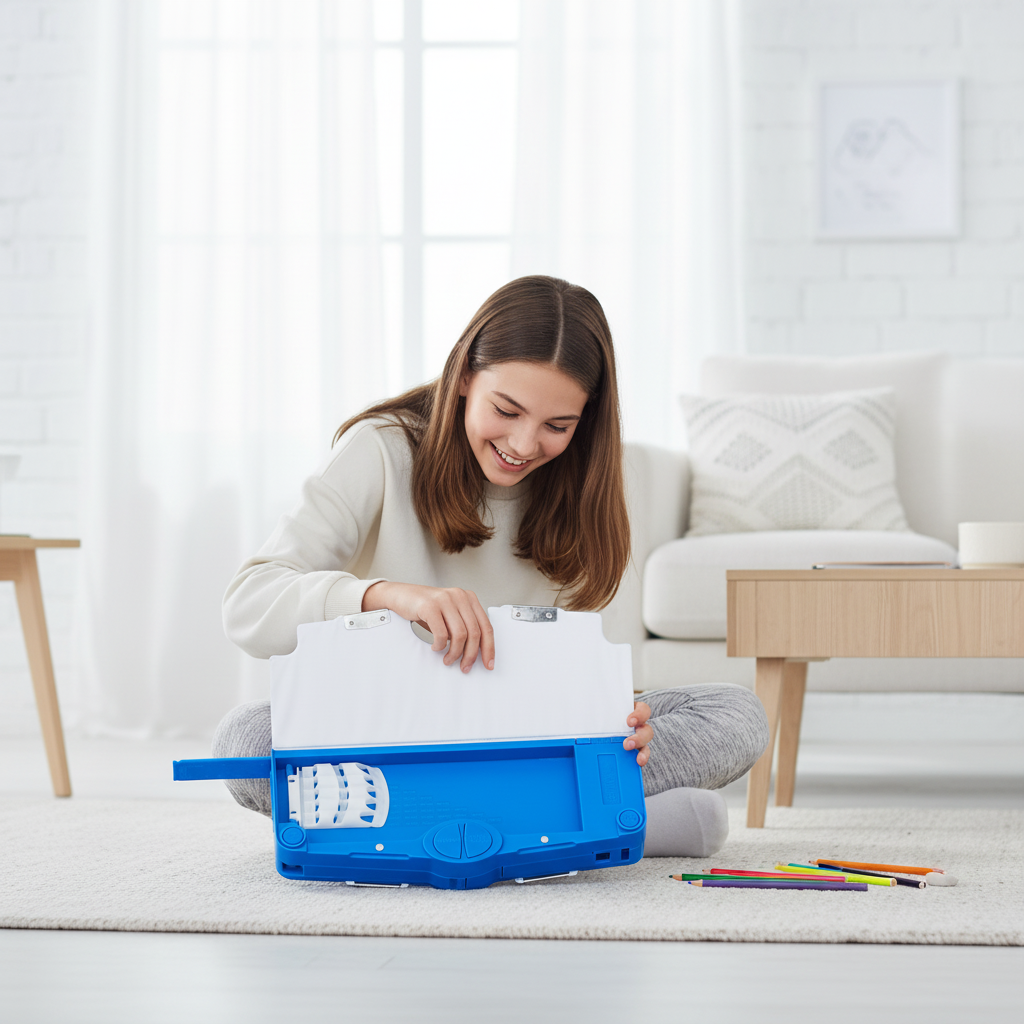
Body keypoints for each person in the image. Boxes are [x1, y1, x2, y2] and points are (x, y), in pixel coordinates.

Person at [216, 275, 768, 857]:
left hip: (519, 738)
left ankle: (433, 825)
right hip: (383, 733)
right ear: (463, 377)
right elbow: (249, 605)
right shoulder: (380, 449)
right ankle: (587, 823)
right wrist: (388, 596)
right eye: (507, 410)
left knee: (737, 712)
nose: (524, 445)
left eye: (558, 426)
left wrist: (617, 718)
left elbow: (565, 676)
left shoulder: (581, 484)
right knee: (244, 739)